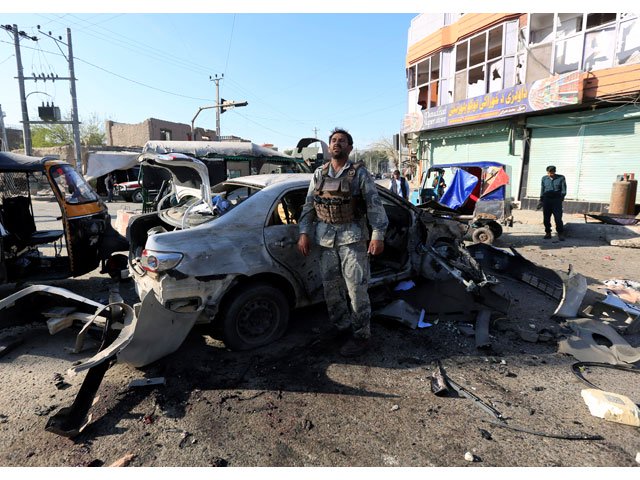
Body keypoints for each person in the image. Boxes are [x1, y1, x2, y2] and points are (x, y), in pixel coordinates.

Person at [297, 128, 388, 357]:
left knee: (356, 290)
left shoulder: (359, 174)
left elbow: (374, 205)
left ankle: (361, 336)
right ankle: (341, 328)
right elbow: (309, 205)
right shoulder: (319, 173)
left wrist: (378, 234)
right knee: (332, 291)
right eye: (333, 141)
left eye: (342, 141)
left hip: (353, 240)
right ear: (329, 147)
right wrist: (304, 232)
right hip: (326, 241)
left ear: (349, 147)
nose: (337, 144)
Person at [539, 165, 567, 241]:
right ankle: (548, 233)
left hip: (556, 201)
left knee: (558, 218)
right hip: (547, 200)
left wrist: (560, 199)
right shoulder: (544, 178)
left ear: (554, 172)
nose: (549, 174)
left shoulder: (561, 178)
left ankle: (560, 233)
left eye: (551, 173)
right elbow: (542, 189)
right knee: (546, 219)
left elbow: (563, 190)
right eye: (548, 173)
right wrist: (541, 200)